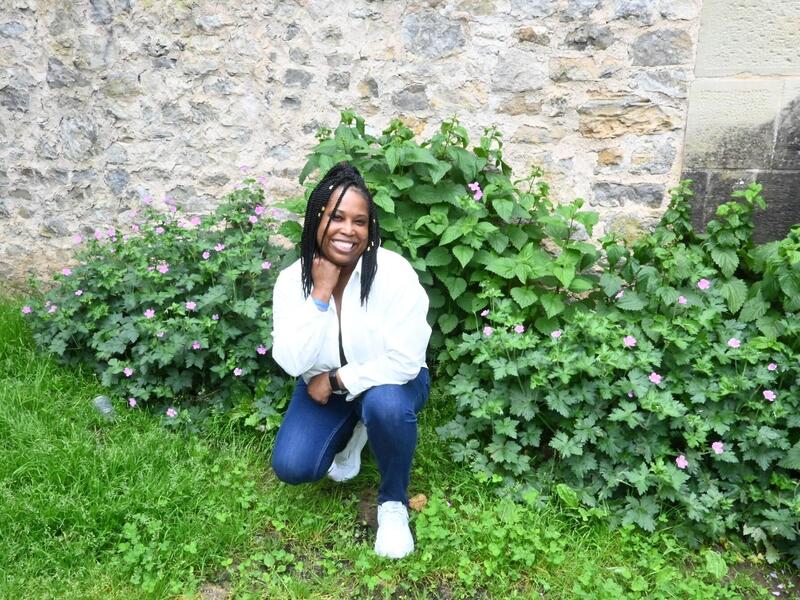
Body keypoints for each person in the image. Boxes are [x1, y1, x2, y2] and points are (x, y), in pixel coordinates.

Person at [270, 161, 432, 559]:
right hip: (322, 385)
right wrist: (320, 295)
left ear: (370, 228)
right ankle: (355, 434)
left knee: (385, 404)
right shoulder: (293, 281)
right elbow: (291, 362)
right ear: (316, 219)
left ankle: (392, 504)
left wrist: (338, 379)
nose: (348, 230)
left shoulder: (393, 273)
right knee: (293, 466)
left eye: (360, 221)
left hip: (392, 382)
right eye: (337, 217)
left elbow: (406, 360)